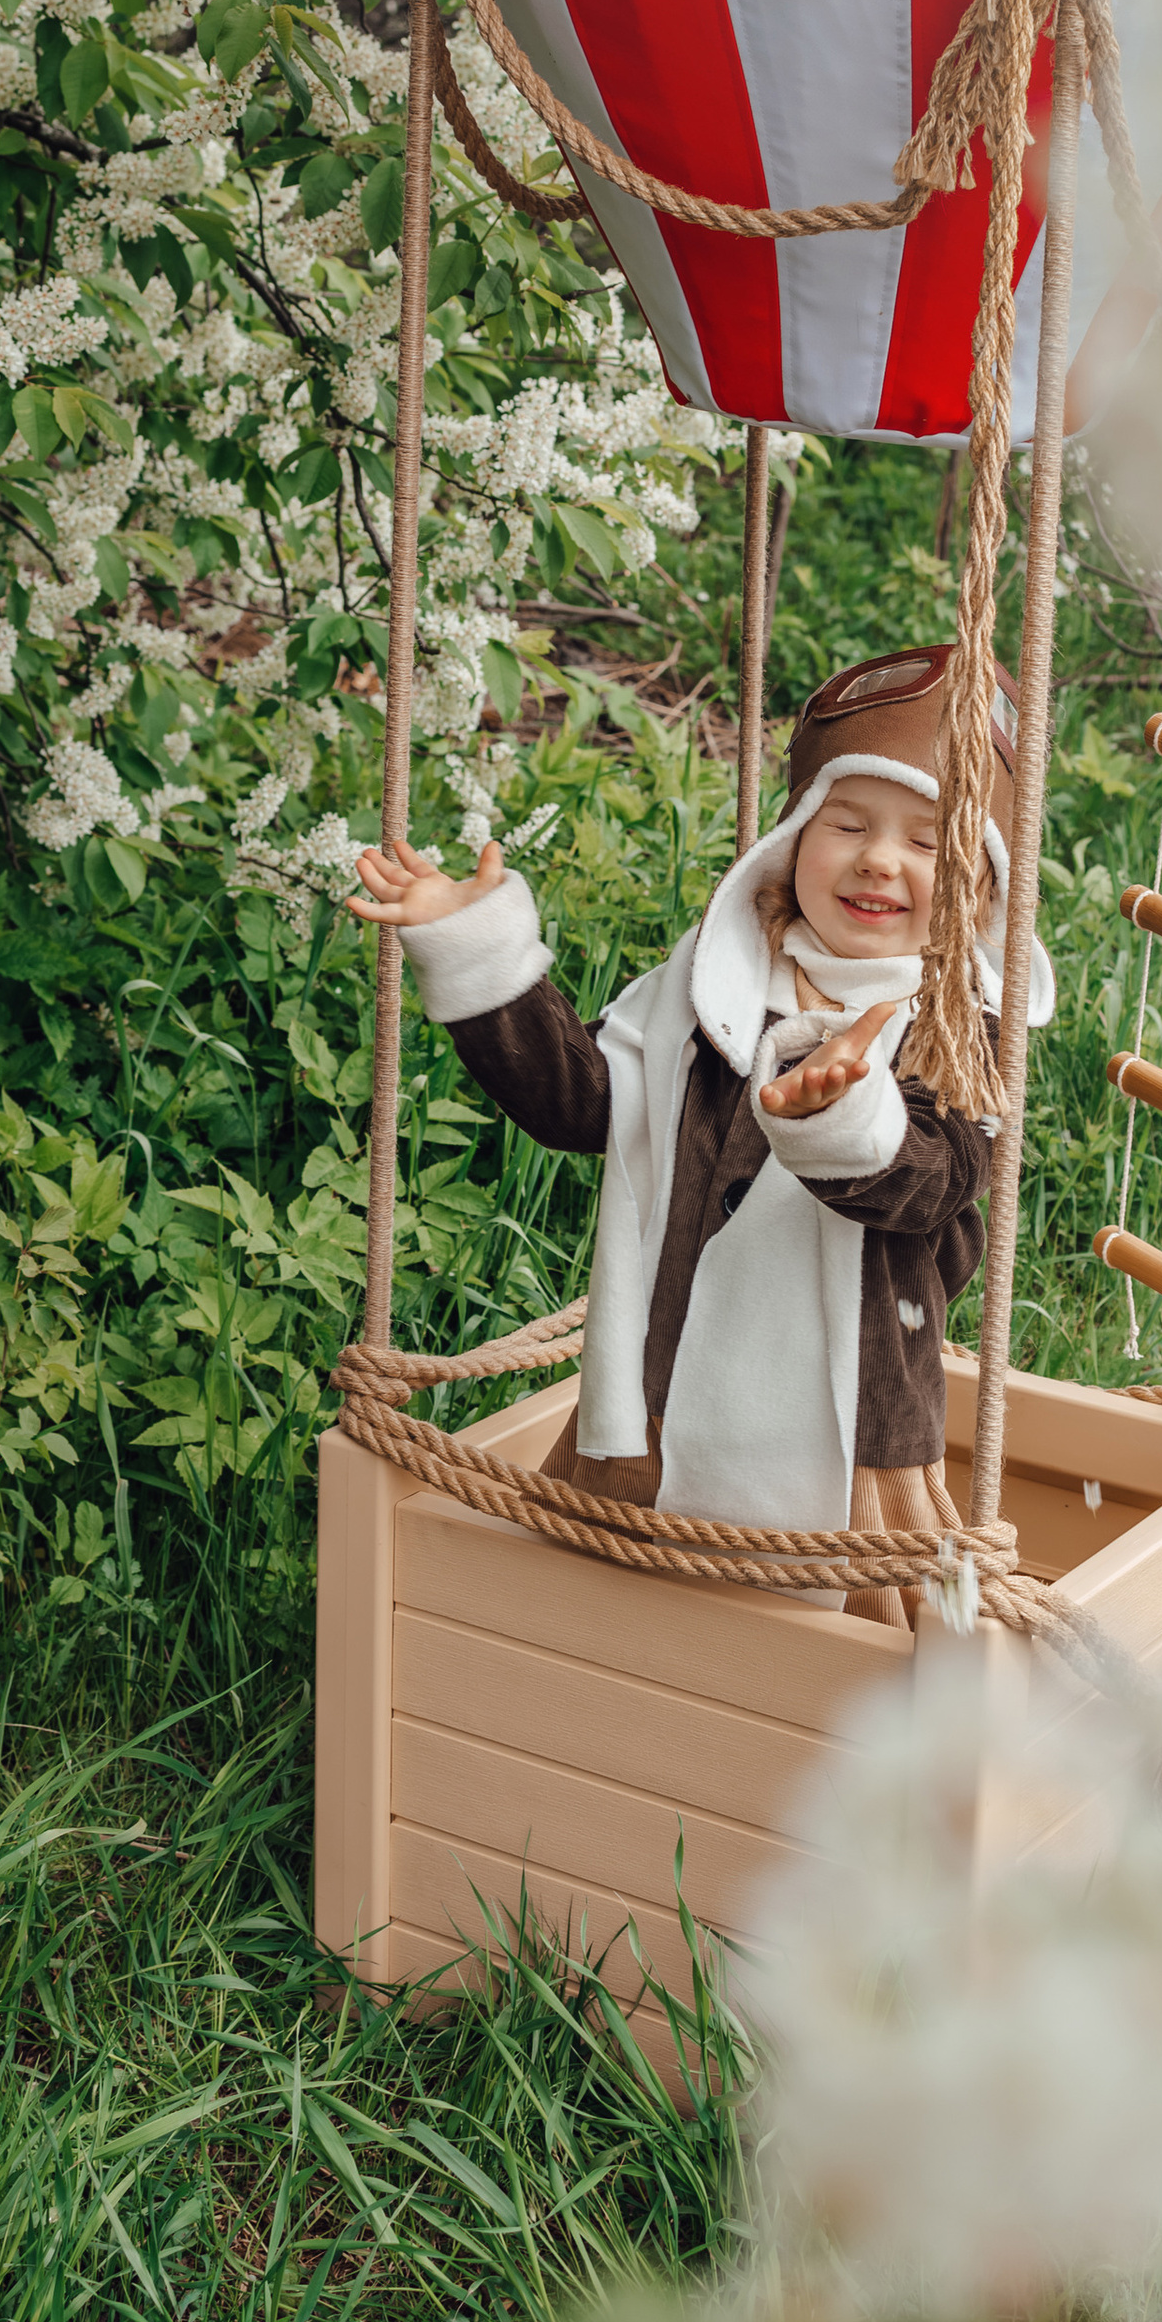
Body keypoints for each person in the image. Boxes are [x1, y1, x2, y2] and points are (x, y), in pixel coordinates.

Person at [344, 643, 1052, 1626]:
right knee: (588, 1617)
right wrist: (479, 955)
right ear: (795, 840)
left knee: (860, 1652)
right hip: (659, 1402)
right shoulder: (713, 987)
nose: (879, 859)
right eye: (847, 823)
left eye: (929, 844)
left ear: (981, 886)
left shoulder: (956, 1026)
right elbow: (582, 1102)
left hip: (853, 1441)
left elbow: (934, 1180)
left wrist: (840, 1116)